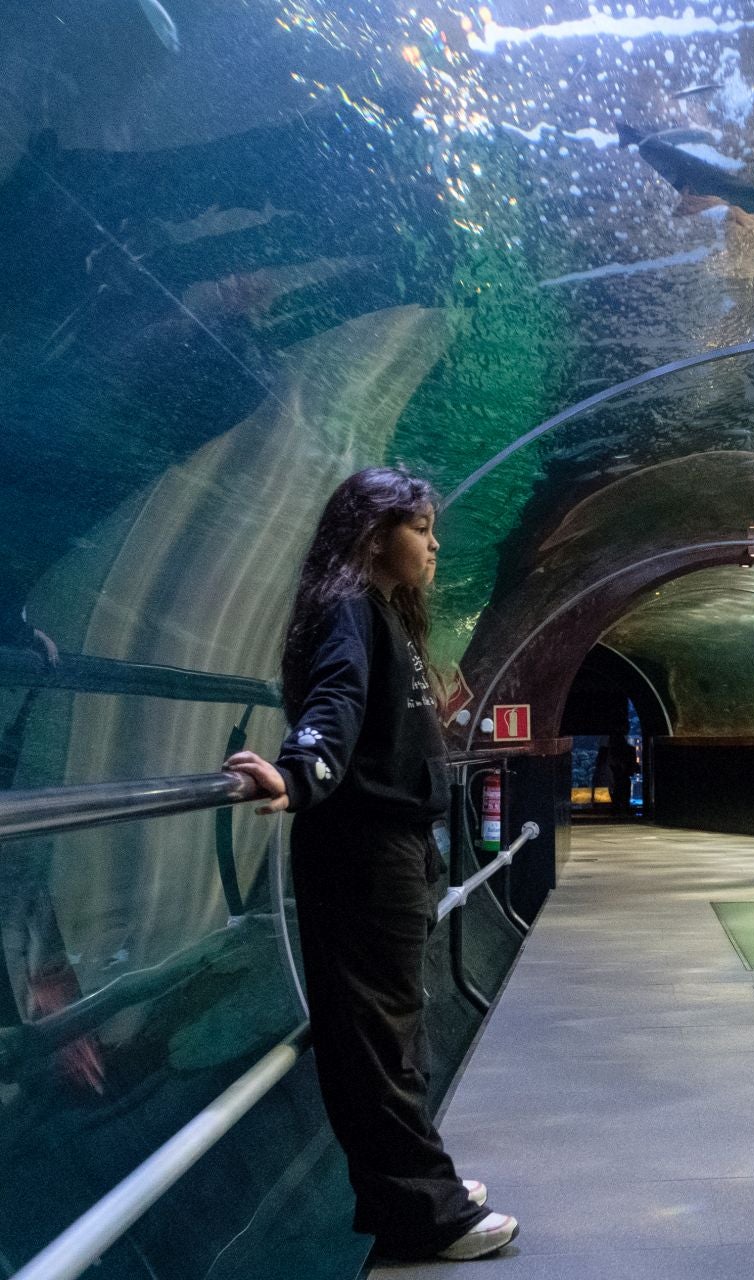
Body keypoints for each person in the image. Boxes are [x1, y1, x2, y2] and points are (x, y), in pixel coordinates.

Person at [222, 468, 517, 1262]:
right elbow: (334, 705)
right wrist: (301, 772)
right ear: (374, 531)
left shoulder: (387, 613)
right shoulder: (351, 611)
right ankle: (423, 1211)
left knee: (396, 1026)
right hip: (361, 850)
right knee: (375, 1040)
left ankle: (417, 1181)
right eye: (421, 528)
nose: (435, 543)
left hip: (396, 846)